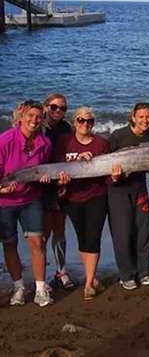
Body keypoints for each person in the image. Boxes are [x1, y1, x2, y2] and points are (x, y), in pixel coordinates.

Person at [53, 106, 111, 301]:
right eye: (81, 120)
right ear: (74, 122)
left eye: (89, 121)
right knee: (83, 238)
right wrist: (61, 179)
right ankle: (91, 278)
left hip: (96, 195)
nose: (85, 124)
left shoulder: (101, 144)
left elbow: (107, 173)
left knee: (93, 237)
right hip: (72, 197)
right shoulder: (64, 142)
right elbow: (57, 167)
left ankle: (89, 283)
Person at [0, 100, 54, 307]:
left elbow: (44, 170)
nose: (34, 120)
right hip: (5, 201)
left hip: (31, 199)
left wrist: (45, 178)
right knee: (9, 243)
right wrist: (2, 189)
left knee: (37, 242)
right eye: (30, 116)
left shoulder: (45, 143)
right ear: (20, 117)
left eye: (38, 117)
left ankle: (40, 289)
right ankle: (19, 287)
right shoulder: (5, 140)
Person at [108, 102, 149, 290]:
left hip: (139, 187)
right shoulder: (118, 137)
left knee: (143, 230)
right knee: (123, 233)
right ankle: (126, 275)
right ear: (133, 117)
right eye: (142, 116)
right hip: (118, 189)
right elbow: (103, 163)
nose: (145, 120)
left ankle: (143, 272)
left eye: (148, 117)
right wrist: (113, 176)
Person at [42, 93, 76, 290]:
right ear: (46, 107)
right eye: (54, 107)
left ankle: (61, 271)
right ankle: (43, 275)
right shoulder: (39, 126)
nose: (58, 111)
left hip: (60, 181)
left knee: (60, 228)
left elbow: (70, 154)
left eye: (62, 108)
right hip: (41, 183)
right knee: (43, 231)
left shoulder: (66, 128)